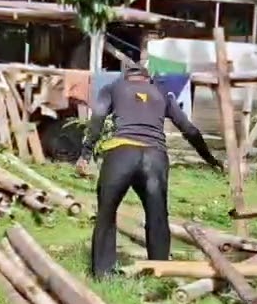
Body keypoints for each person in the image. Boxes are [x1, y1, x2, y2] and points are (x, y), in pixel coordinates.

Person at [78, 64, 222, 278]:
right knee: (157, 215)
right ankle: (160, 270)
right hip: (155, 156)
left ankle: (102, 273)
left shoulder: (113, 87)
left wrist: (85, 154)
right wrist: (210, 158)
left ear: (126, 77)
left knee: (106, 213)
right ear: (148, 79)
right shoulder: (162, 92)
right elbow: (188, 128)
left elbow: (97, 118)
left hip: (121, 154)